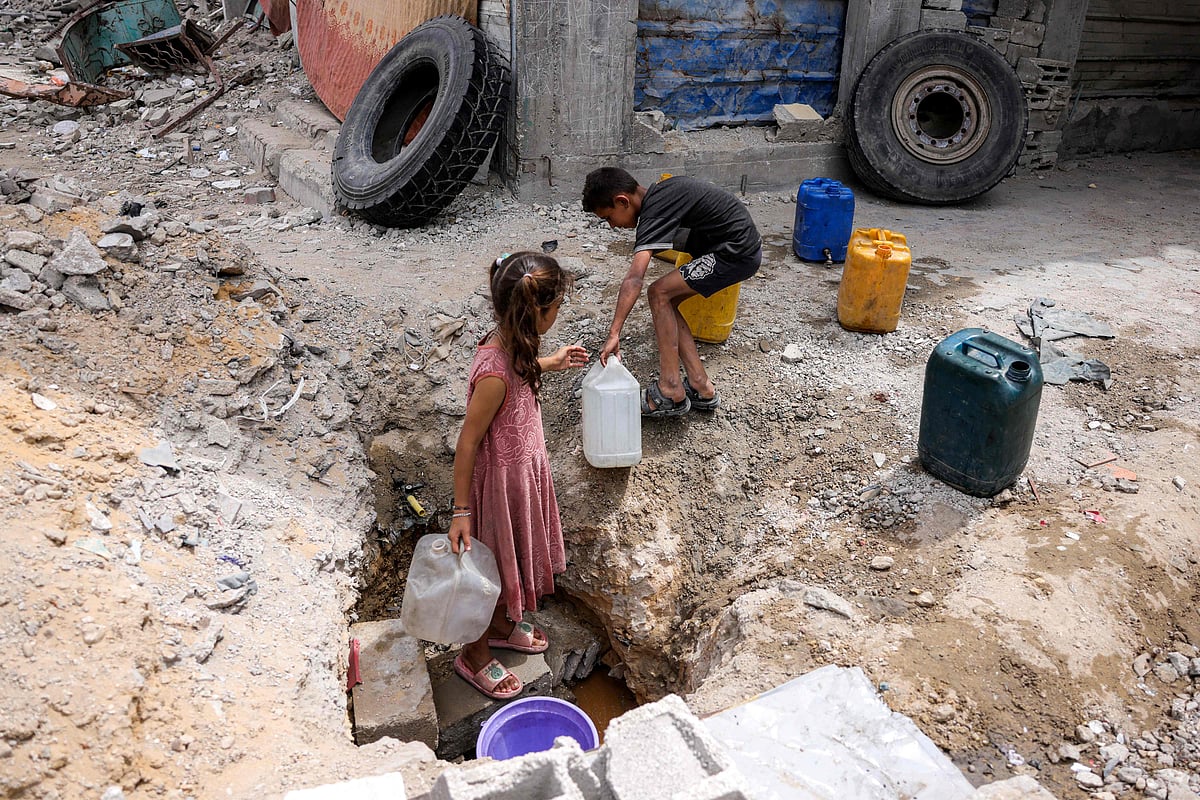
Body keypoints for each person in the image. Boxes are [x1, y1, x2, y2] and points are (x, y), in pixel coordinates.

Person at [447, 251, 589, 700]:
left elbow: (521, 371)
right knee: (486, 572)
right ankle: (472, 653)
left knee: (512, 563)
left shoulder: (516, 345)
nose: (558, 312)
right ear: (535, 311)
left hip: (523, 479)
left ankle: (505, 624)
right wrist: (461, 511)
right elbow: (468, 441)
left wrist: (551, 361)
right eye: (556, 306)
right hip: (497, 490)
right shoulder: (493, 371)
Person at [582, 167, 762, 417]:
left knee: (658, 293)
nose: (612, 226)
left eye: (608, 217)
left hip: (734, 251)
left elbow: (635, 278)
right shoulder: (661, 196)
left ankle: (670, 388)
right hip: (736, 247)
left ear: (622, 201)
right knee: (667, 298)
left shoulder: (654, 209)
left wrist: (614, 332)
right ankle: (700, 385)